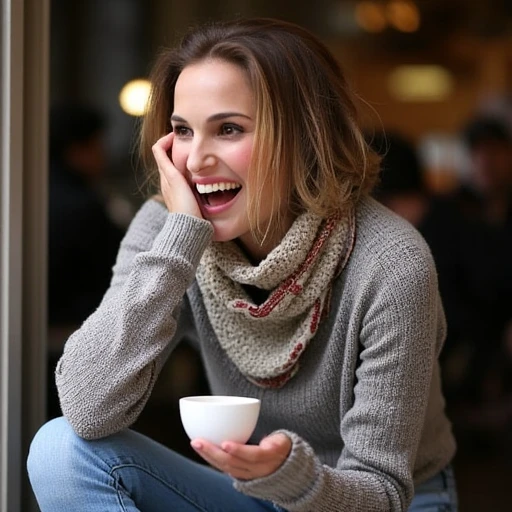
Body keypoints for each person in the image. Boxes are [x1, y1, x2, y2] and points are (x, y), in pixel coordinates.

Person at [27, 18, 457, 511]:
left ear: (305, 136)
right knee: (61, 449)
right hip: (250, 491)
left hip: (379, 501)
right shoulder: (168, 231)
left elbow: (381, 492)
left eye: (228, 129)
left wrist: (288, 475)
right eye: (183, 131)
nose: (195, 160)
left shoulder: (392, 263)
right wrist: (180, 243)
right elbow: (87, 410)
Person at [47, 103, 126, 418]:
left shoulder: (33, 194)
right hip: (74, 337)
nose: (103, 155)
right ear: (78, 149)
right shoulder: (83, 206)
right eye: (98, 144)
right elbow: (118, 278)